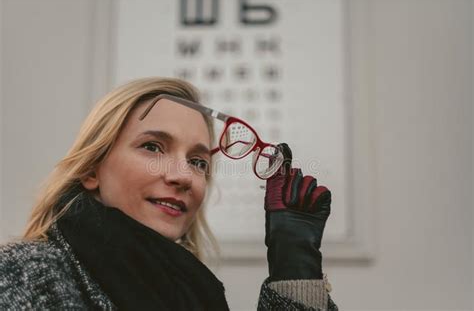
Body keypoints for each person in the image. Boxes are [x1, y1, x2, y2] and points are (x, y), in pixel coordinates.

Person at [0, 77, 338, 310]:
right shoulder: (28, 271)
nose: (183, 177)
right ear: (92, 169)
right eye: (152, 146)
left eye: (197, 161)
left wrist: (294, 263)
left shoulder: (192, 291)